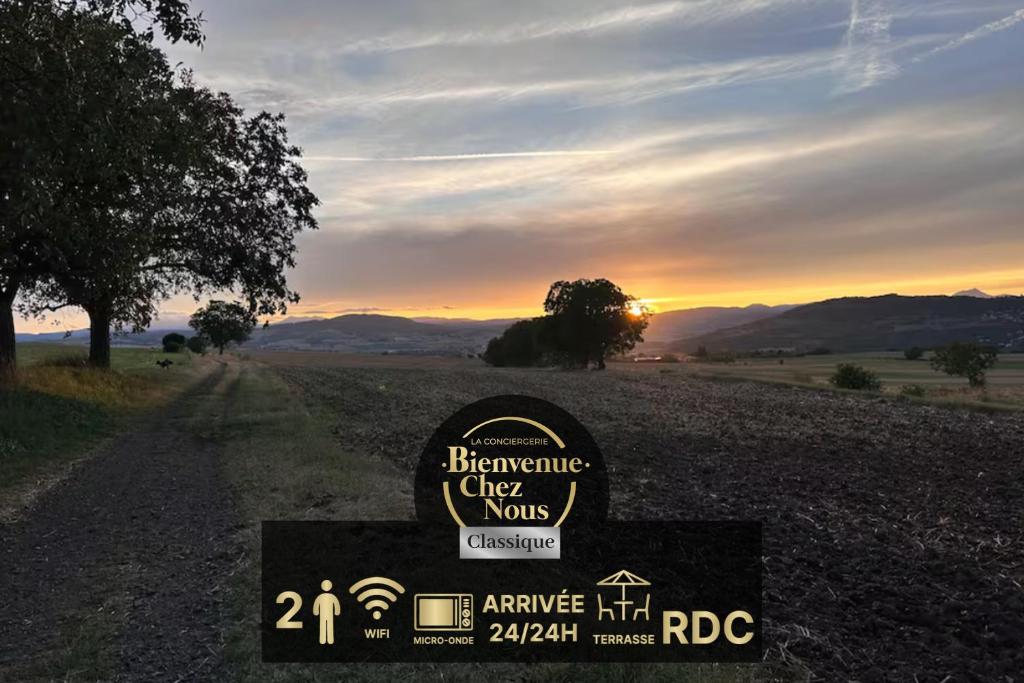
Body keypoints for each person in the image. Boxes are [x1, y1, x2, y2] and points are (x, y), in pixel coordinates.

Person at [313, 579, 341, 645]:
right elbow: (316, 604)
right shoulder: (322, 597)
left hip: (328, 614)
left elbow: (336, 604)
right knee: (325, 626)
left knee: (328, 626)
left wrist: (337, 611)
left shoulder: (329, 597)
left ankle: (329, 640)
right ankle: (324, 640)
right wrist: (316, 611)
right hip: (325, 614)